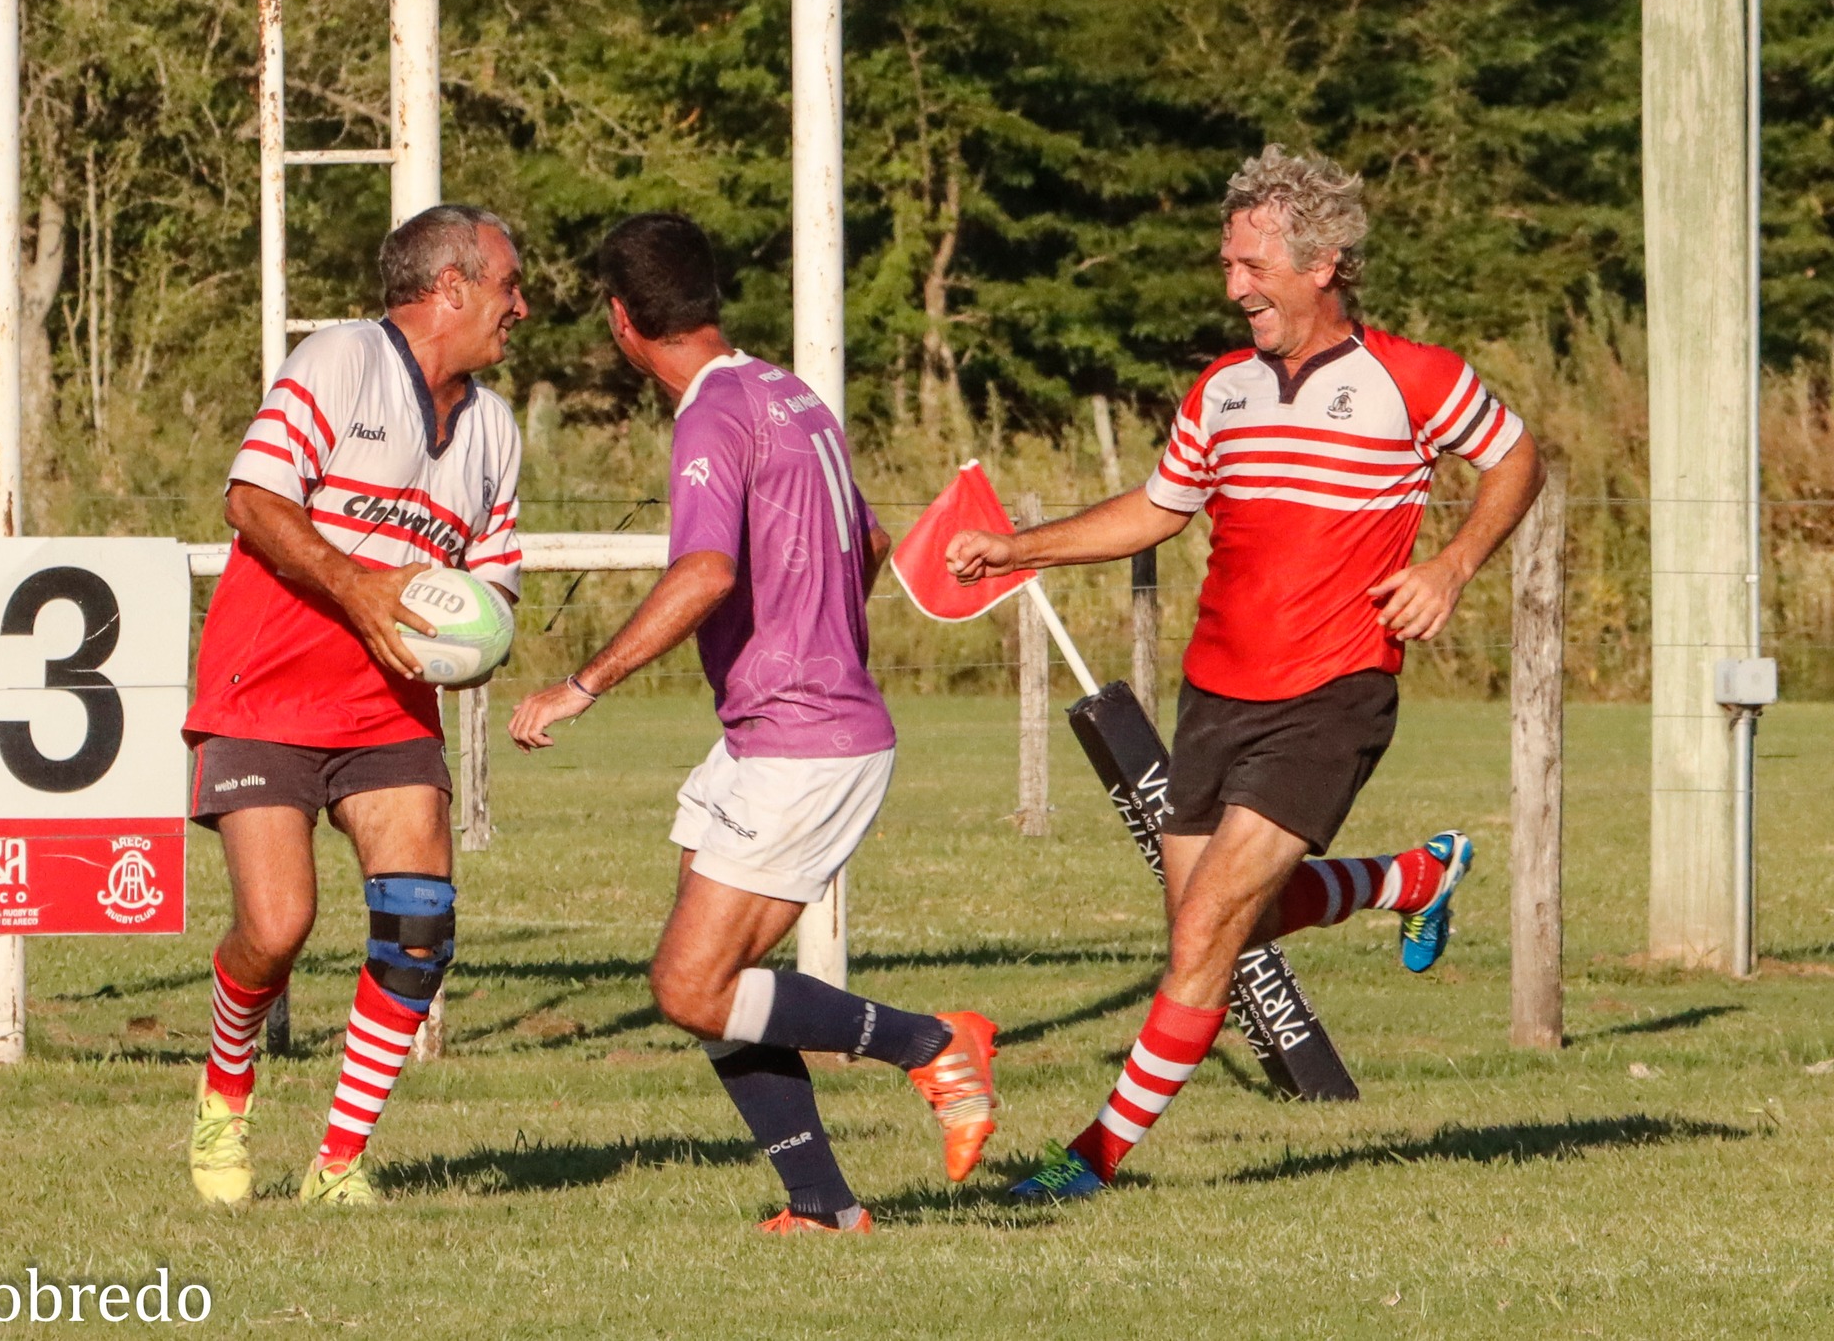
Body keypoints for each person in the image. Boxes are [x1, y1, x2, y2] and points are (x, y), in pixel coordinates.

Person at [946, 147, 1545, 1201]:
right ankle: (1409, 877)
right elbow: (1154, 510)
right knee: (1219, 927)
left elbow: (1514, 458)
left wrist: (1449, 568)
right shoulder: (1220, 390)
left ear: (1322, 263)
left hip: (1332, 693)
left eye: (1251, 264)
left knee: (1209, 934)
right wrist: (1017, 549)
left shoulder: (1412, 379)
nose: (1233, 287)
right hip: (1215, 694)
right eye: (1226, 264)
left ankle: (1086, 1164)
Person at [509, 212, 997, 1235]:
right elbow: (864, 541)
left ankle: (928, 1042)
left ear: (620, 321)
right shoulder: (786, 392)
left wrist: (581, 684)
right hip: (777, 729)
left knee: (688, 987)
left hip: (799, 740)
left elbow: (704, 571)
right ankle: (820, 1206)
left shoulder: (711, 415)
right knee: (714, 973)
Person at [183, 204, 528, 1207]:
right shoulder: (339, 358)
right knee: (277, 928)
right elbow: (250, 499)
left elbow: (495, 587)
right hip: (264, 693)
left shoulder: (494, 429)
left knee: (420, 925)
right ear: (451, 288)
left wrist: (470, 637)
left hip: (387, 714)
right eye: (509, 285)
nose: (522, 307)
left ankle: (339, 1163)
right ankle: (224, 1087)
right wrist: (360, 584)